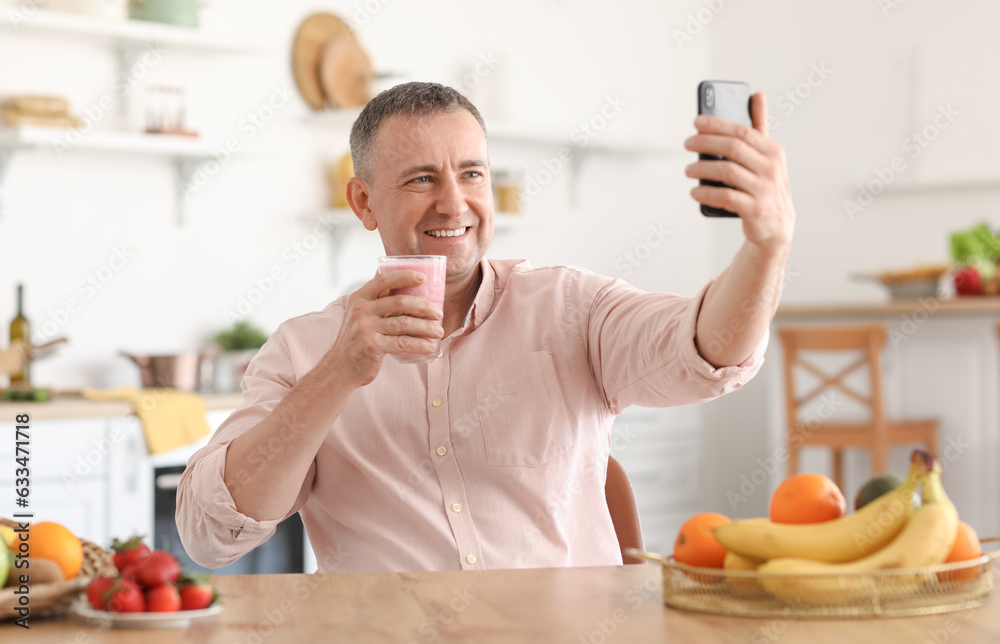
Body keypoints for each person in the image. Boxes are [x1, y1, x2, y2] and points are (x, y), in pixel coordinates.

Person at [177, 82, 794, 574]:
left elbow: (705, 353)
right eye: (422, 178)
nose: (453, 203)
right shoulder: (303, 349)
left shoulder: (571, 305)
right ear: (363, 202)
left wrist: (766, 250)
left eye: (471, 174)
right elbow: (211, 534)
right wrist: (338, 373)